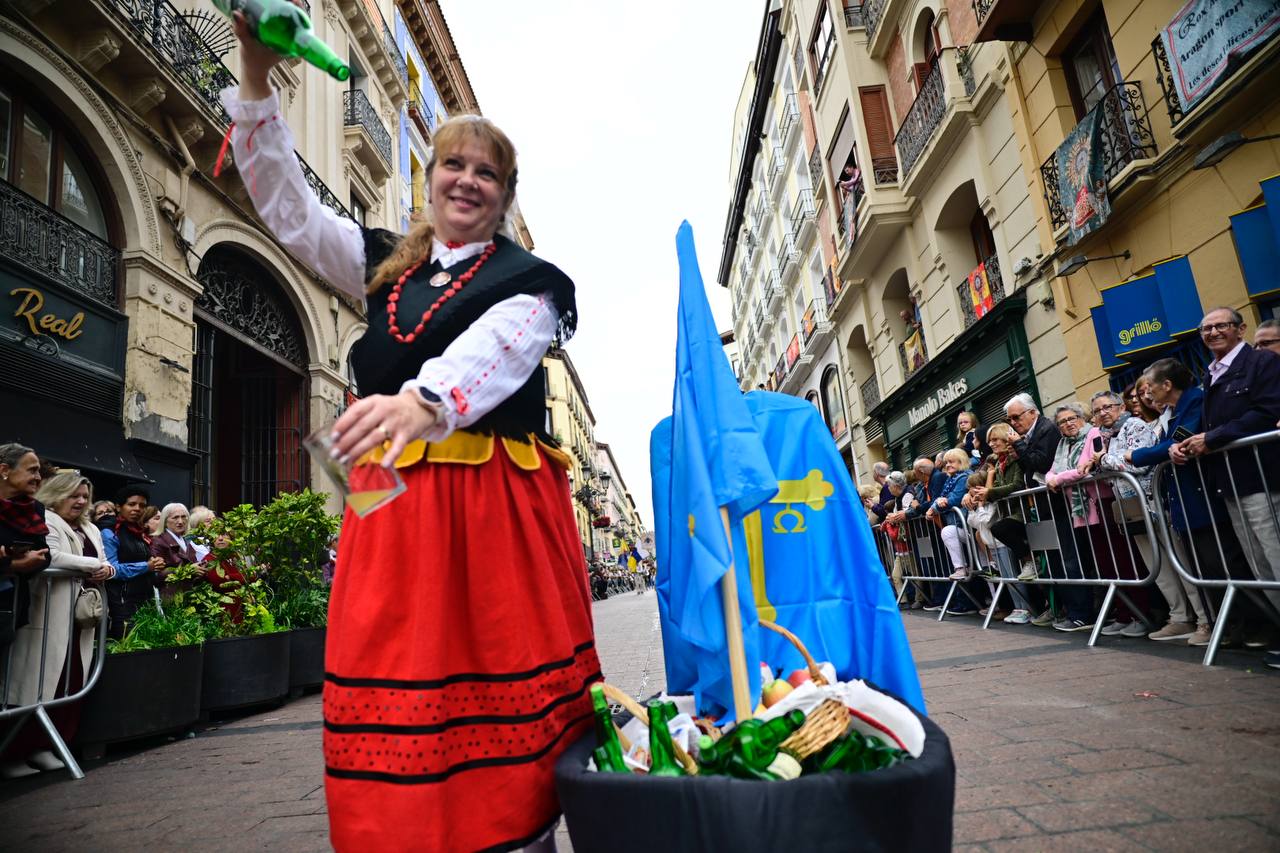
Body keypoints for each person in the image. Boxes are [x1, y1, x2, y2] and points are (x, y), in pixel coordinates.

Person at [222, 14, 600, 850]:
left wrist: (424, 402)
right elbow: (290, 210)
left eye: (487, 172)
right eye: (454, 165)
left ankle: (516, 833)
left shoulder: (531, 281)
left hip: (490, 506)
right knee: (395, 666)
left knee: (493, 665)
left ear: (505, 194)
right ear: (429, 179)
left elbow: (502, 347)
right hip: (392, 509)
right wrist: (253, 71)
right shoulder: (387, 263)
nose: (468, 180)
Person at [3, 471, 113, 778]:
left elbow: (106, 560)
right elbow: (51, 557)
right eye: (73, 495)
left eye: (84, 497)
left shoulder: (90, 527)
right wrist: (94, 566)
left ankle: (46, 746)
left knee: (71, 684)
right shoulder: (47, 521)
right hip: (48, 617)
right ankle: (14, 752)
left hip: (81, 620)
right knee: (36, 685)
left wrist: (107, 570)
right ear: (57, 494)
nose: (80, 501)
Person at [1175, 306, 1280, 624]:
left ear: (1240, 329)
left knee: (1275, 555)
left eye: (1221, 326)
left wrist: (1213, 438)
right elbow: (1210, 420)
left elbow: (1266, 411)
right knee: (1260, 565)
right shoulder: (1211, 372)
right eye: (1206, 329)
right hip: (1230, 482)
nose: (1213, 333)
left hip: (1261, 478)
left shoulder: (1262, 362)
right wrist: (1183, 444)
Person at [1130, 359, 1221, 645]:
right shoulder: (1172, 411)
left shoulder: (1193, 402)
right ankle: (1218, 623)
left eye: (1150, 387)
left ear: (1167, 385)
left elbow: (1178, 441)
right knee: (1198, 565)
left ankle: (1225, 624)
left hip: (1202, 497)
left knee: (1214, 564)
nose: (1147, 394)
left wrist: (1135, 456)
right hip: (1181, 502)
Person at [1088, 389, 1155, 638]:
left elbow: (1137, 463)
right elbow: (1109, 470)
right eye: (1097, 410)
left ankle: (1191, 619)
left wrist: (1104, 459)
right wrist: (1099, 463)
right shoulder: (1108, 435)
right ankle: (1174, 615)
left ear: (1121, 407)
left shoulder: (1134, 425)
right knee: (1149, 563)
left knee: (1163, 560)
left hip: (1147, 500)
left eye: (1107, 407)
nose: (1102, 413)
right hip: (1126, 505)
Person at [1042, 403, 1100, 632]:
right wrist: (1050, 478)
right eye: (1062, 422)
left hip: (1095, 504)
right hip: (1076, 512)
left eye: (1071, 418)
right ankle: (1089, 614)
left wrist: (1057, 479)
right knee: (1086, 561)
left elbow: (1083, 469)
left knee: (1102, 561)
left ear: (1082, 417)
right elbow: (1052, 470)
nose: (1068, 424)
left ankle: (1116, 613)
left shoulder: (1093, 434)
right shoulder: (1063, 444)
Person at [0, 445, 51, 658]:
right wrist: (12, 565)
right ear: (4, 470)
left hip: (7, 607)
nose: (38, 477)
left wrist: (32, 561)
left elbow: (44, 553)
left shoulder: (34, 508)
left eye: (38, 471)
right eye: (32, 470)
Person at [101, 486, 165, 640]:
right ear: (118, 507)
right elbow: (111, 568)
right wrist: (147, 566)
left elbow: (143, 560)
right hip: (122, 602)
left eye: (142, 505)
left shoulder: (139, 532)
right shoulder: (109, 532)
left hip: (144, 599)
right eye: (131, 504)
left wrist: (155, 563)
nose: (137, 509)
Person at [925, 448, 972, 583]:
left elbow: (953, 500)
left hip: (968, 525)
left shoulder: (963, 477)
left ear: (961, 462)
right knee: (985, 566)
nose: (948, 465)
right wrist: (936, 505)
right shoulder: (952, 478)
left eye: (951, 462)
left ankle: (961, 568)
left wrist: (934, 507)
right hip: (961, 524)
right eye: (946, 462)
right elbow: (941, 498)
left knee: (948, 532)